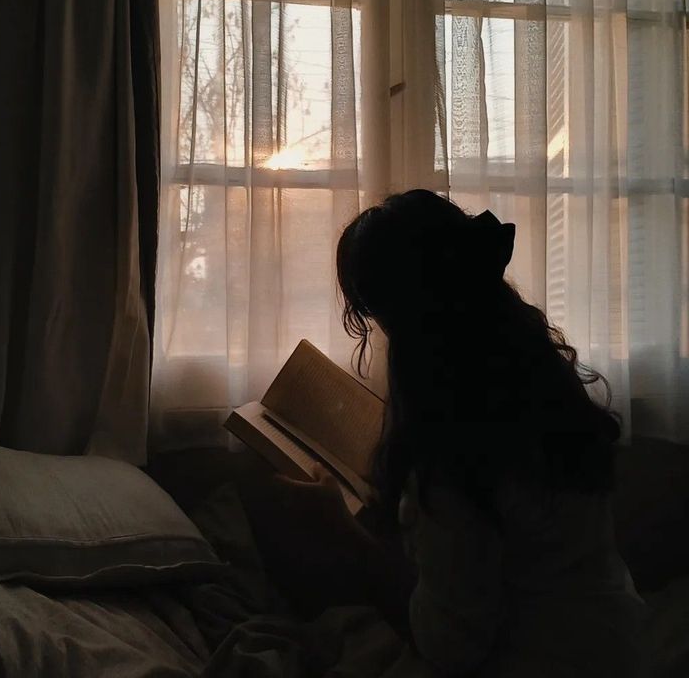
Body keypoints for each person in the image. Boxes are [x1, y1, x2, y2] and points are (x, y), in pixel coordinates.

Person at [245, 190, 646, 677]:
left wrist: (345, 535)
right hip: (616, 644)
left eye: (383, 324)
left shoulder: (458, 449)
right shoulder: (535, 388)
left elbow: (449, 646)